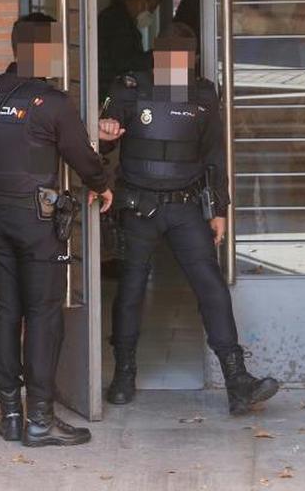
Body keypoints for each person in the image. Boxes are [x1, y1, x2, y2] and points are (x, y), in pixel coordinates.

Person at [97, 26, 280, 415]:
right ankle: (124, 374)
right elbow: (104, 134)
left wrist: (219, 209)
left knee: (211, 287)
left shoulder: (202, 94)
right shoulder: (130, 87)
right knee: (130, 291)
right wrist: (105, 130)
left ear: (192, 59)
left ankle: (237, 380)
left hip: (185, 207)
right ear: (155, 58)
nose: (176, 66)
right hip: (138, 207)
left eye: (183, 59)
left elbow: (214, 155)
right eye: (168, 59)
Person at [0, 12, 114, 447]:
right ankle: (40, 421)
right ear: (47, 51)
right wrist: (102, 185)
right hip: (36, 221)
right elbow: (82, 157)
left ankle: (11, 415)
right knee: (44, 315)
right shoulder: (52, 102)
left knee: (4, 312)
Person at [97, 0, 162, 96]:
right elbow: (125, 62)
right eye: (152, 8)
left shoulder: (121, 19)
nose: (151, 14)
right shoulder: (116, 21)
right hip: (110, 91)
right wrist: (159, 56)